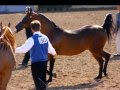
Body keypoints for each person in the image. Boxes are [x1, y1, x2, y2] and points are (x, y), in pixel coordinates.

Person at [15, 20, 57, 90]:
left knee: (37, 82)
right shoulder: (45, 37)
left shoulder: (31, 39)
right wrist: (54, 53)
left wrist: (12, 49)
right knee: (43, 80)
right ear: (40, 28)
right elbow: (50, 49)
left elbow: (24, 49)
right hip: (44, 63)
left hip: (36, 64)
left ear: (31, 29)